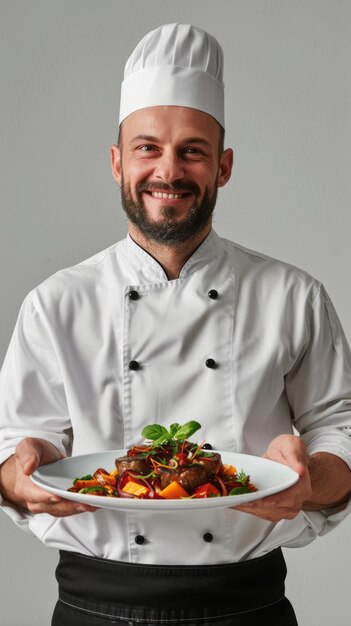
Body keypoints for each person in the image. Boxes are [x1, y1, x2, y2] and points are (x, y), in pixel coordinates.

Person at [0, 22, 351, 626]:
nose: (169, 170)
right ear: (116, 162)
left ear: (224, 167)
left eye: (192, 149)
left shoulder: (295, 296)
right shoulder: (55, 303)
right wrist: (22, 468)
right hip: (93, 608)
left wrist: (308, 477)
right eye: (147, 147)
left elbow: (339, 435)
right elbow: (14, 455)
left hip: (248, 607)